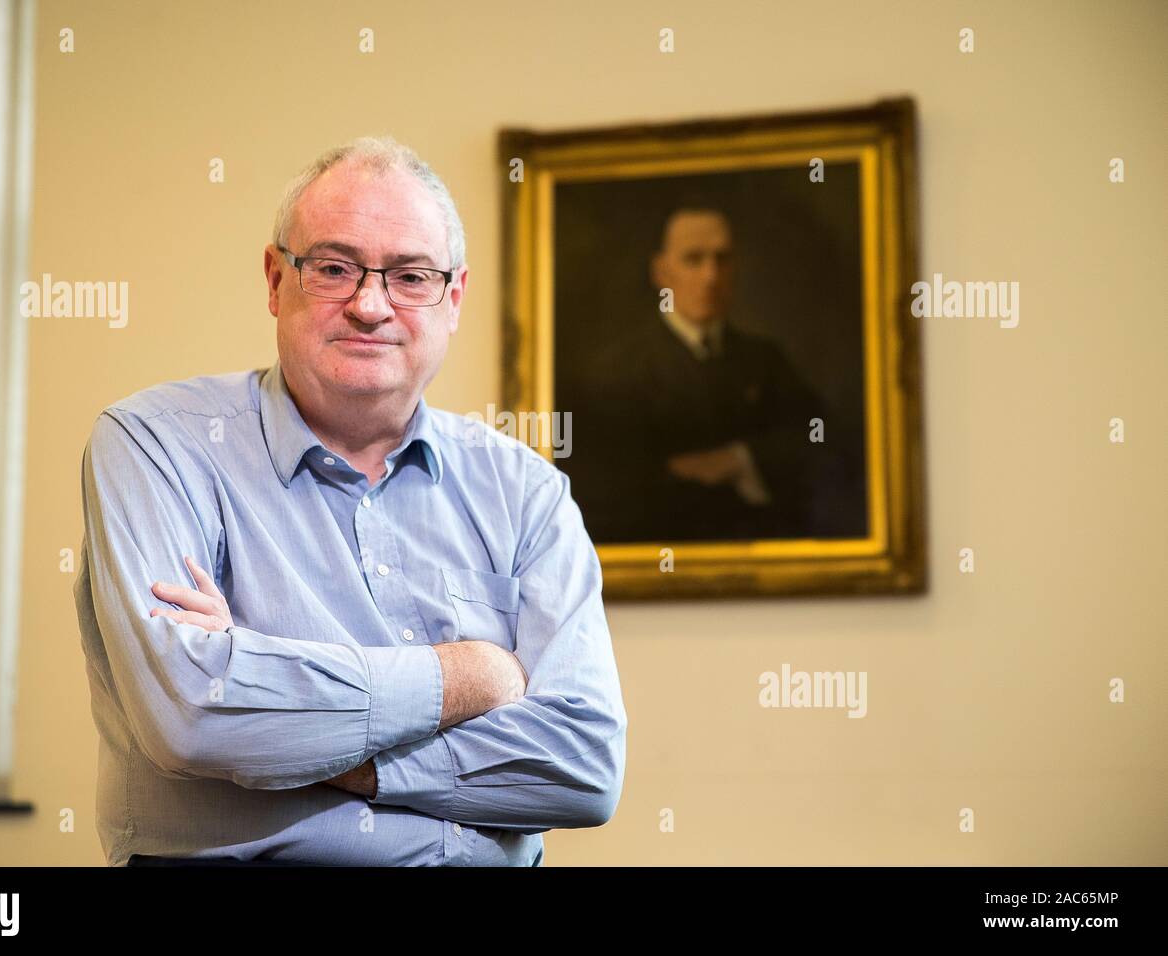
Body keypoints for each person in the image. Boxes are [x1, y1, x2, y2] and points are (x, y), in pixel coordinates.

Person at [73, 136, 627, 867]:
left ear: (452, 298)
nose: (370, 305)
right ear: (276, 281)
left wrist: (306, 726)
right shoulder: (157, 446)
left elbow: (582, 766)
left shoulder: (525, 492)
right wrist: (475, 676)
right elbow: (192, 714)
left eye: (410, 276)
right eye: (334, 268)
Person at [571, 204, 827, 543]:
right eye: (694, 259)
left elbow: (821, 444)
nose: (711, 276)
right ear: (661, 272)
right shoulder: (617, 368)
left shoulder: (765, 360)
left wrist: (739, 460)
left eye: (722, 259)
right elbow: (608, 485)